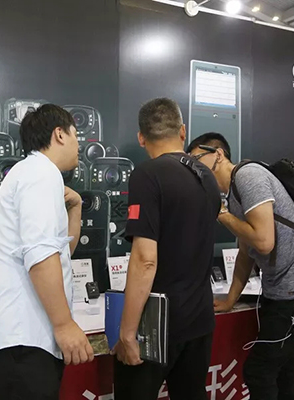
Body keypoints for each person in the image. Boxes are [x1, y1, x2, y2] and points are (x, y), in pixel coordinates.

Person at [188, 132, 294, 400]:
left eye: (197, 158)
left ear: (218, 154)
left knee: (259, 371)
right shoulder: (233, 193)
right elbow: (247, 252)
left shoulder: (248, 176)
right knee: (284, 367)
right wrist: (230, 299)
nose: (194, 167)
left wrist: (221, 214)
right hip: (280, 291)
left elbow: (264, 242)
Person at [0, 104, 94, 399]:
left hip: (24, 340)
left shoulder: (33, 173)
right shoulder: (41, 173)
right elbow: (41, 257)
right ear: (60, 134)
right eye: (76, 135)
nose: (79, 145)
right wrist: (64, 325)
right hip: (23, 339)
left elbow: (60, 253)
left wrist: (75, 208)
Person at [112, 98, 221, 400]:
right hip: (199, 318)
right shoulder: (207, 176)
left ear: (141, 137)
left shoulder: (147, 174)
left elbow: (145, 260)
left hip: (157, 325)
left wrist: (127, 332)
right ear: (183, 131)